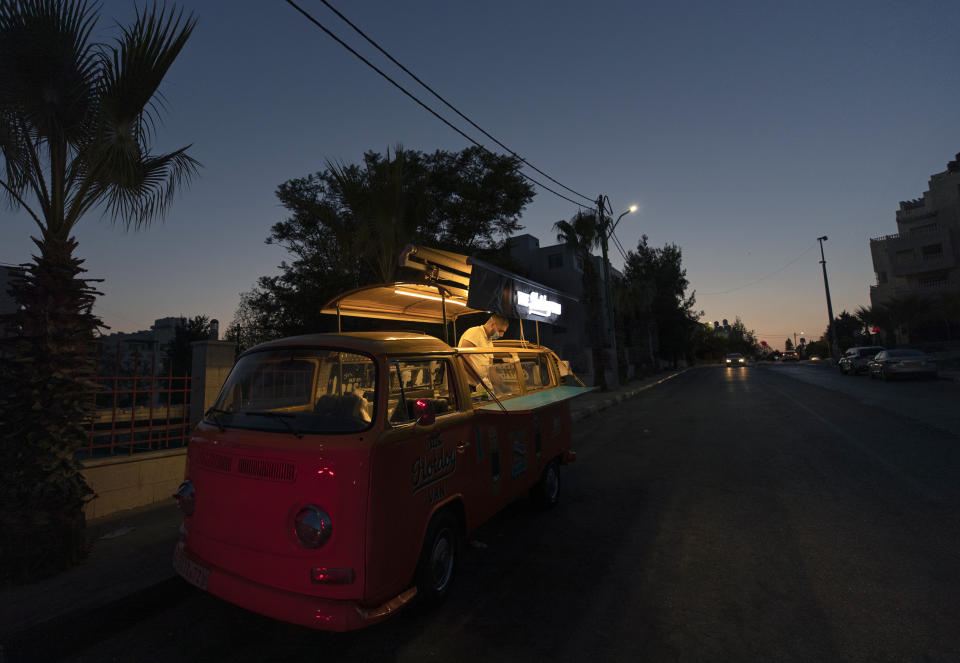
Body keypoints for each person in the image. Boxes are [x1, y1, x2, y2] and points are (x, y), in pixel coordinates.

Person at [458, 313, 509, 390]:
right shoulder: (474, 332)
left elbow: (490, 366)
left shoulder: (489, 341)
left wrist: (501, 384)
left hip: (481, 387)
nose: (501, 335)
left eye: (503, 332)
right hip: (468, 386)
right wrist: (479, 380)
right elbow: (463, 357)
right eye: (500, 331)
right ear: (492, 325)